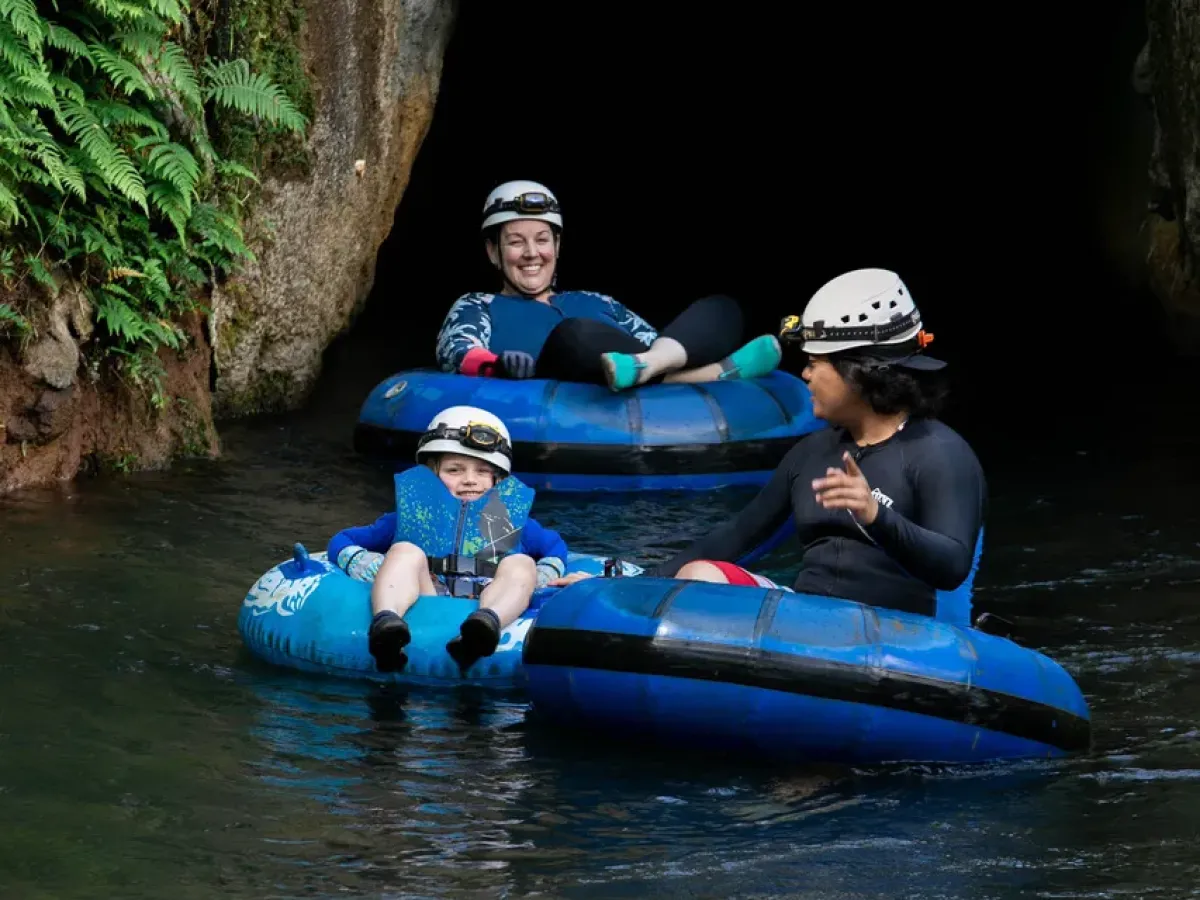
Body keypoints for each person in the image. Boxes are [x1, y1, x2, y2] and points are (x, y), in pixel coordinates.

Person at [634, 267, 988, 618]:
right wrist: (631, 584)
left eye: (815, 363)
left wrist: (876, 515)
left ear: (860, 372)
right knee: (700, 575)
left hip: (892, 637)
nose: (804, 373)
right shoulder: (812, 451)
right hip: (806, 621)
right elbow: (736, 536)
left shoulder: (939, 452)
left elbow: (952, 565)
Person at [434, 179, 784, 392]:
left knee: (722, 307)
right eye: (515, 242)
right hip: (552, 388)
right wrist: (496, 364)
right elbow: (456, 349)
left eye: (542, 239)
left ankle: (659, 373)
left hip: (638, 371)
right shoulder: (477, 305)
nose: (531, 254)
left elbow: (650, 342)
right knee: (575, 335)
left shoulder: (595, 300)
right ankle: (708, 376)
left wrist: (660, 357)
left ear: (557, 246)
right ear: (493, 251)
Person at [327, 405, 588, 673]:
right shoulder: (405, 518)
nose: (469, 480)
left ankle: (485, 627)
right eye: (454, 470)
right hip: (427, 596)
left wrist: (540, 577)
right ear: (431, 473)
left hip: (489, 599)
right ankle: (387, 624)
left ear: (497, 479)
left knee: (521, 562)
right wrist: (372, 565)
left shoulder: (515, 523)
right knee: (405, 550)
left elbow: (555, 548)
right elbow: (342, 540)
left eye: (482, 471)